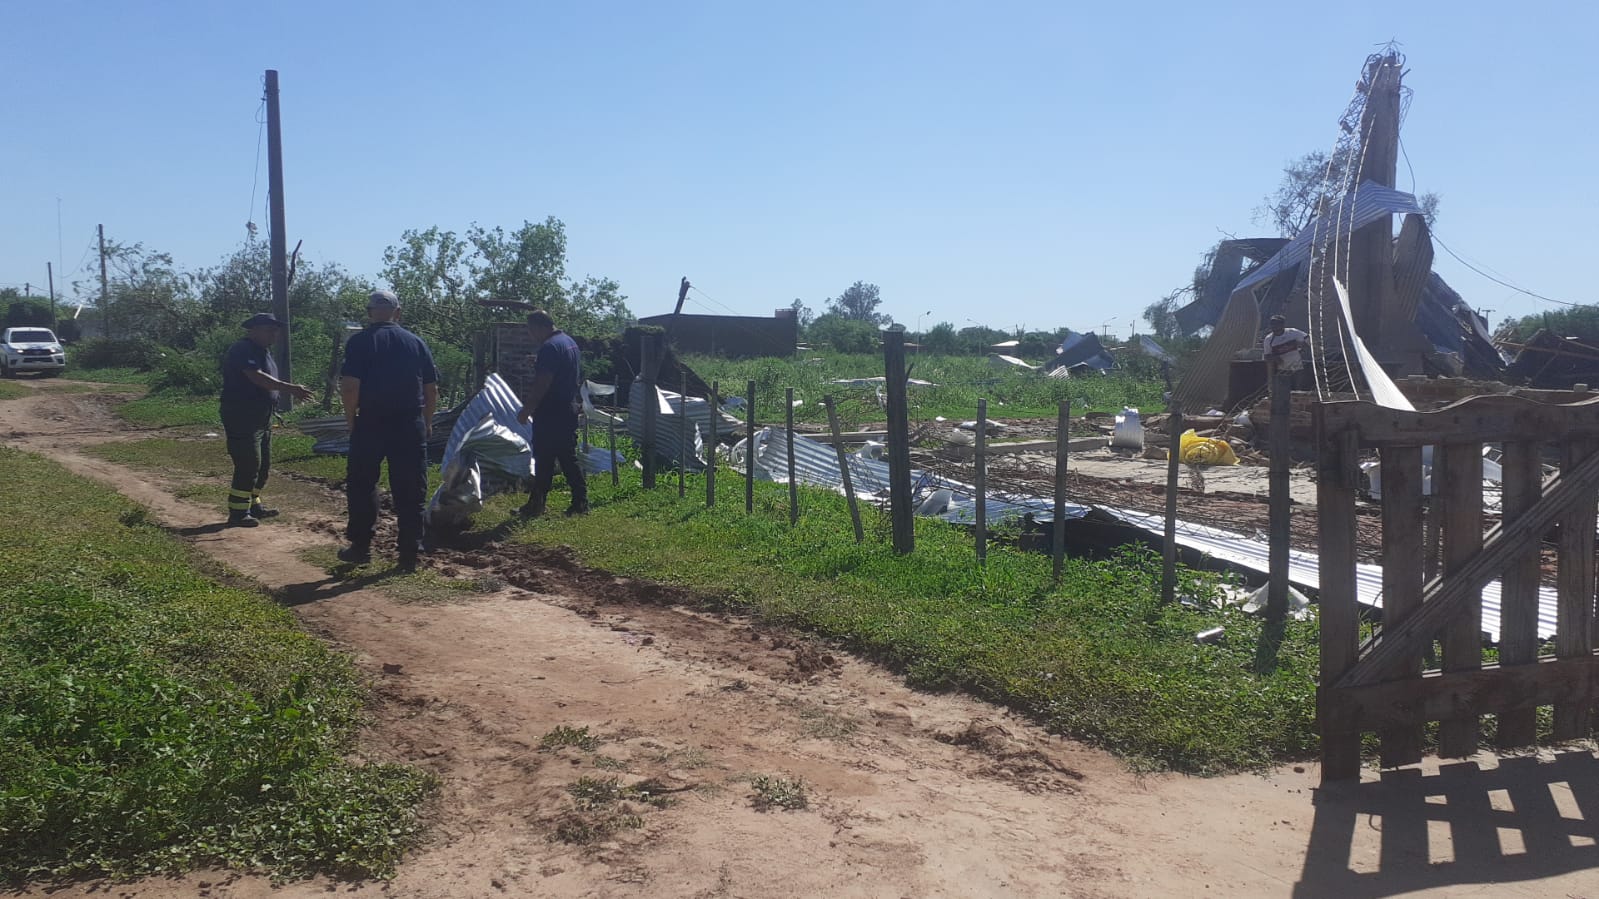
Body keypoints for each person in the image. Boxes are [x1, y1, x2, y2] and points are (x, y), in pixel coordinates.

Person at [337, 290, 439, 572]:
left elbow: (349, 386)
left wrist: (350, 419)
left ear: (370, 313)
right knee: (410, 488)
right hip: (409, 423)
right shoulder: (416, 343)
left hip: (371, 421)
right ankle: (408, 554)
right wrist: (427, 421)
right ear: (398, 312)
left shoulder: (359, 342)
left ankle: (361, 547)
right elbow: (431, 390)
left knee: (363, 484)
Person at [219, 313, 314, 528]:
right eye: (269, 329)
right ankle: (237, 512)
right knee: (249, 462)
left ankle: (253, 505)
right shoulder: (243, 349)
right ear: (253, 330)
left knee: (263, 465)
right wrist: (290, 388)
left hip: (262, 415)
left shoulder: (263, 351)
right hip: (242, 414)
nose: (274, 333)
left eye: (275, 330)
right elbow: (256, 377)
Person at [516, 309, 588, 518]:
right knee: (566, 457)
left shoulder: (549, 347)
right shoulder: (568, 342)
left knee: (545, 458)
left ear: (539, 327)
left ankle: (539, 504)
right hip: (567, 408)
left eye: (531, 331)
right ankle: (577, 502)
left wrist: (527, 409)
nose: (531, 336)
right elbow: (561, 370)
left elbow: (542, 384)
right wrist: (538, 363)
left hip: (551, 412)